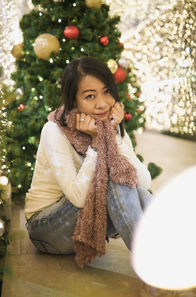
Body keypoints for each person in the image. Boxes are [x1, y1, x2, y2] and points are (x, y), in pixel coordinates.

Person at [25, 56, 152, 267]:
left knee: (124, 179)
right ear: (74, 101)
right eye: (90, 96)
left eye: (107, 91)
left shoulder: (110, 125)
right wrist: (95, 143)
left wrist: (113, 136)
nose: (102, 103)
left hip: (85, 225)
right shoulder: (54, 130)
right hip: (46, 228)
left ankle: (174, 249)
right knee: (113, 180)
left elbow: (143, 183)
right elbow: (78, 198)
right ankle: (150, 264)